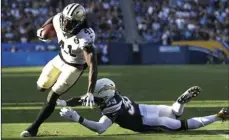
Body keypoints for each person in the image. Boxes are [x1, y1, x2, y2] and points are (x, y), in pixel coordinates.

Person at [21, 3, 98, 137]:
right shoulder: (59, 19)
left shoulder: (85, 36)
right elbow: (54, 18)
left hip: (74, 67)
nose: (65, 23)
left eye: (69, 22)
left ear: (78, 22)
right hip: (59, 59)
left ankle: (33, 128)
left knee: (52, 96)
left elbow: (93, 65)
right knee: (41, 87)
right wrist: (43, 29)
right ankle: (56, 83)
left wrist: (90, 92)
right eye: (64, 19)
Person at [59, 78, 229, 134]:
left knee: (181, 126)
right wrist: (65, 102)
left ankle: (218, 116)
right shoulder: (111, 93)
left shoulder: (111, 108)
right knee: (174, 113)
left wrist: (77, 118)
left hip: (145, 121)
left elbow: (101, 128)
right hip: (143, 108)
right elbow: (83, 99)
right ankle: (180, 103)